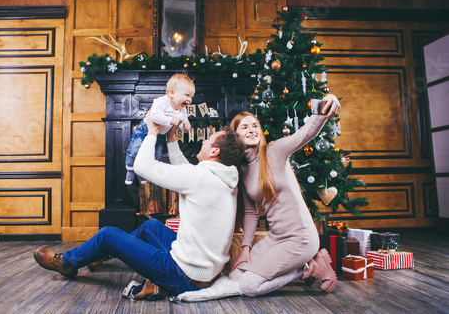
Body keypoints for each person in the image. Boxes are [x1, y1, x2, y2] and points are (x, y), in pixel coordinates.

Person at [33, 112, 246, 300]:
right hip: (205, 272)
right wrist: (171, 137)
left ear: (215, 151)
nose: (203, 142)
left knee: (108, 235)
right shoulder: (224, 178)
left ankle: (68, 263)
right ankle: (97, 254)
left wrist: (152, 132)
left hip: (183, 276)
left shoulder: (199, 176)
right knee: (150, 227)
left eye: (208, 141)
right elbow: (184, 169)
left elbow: (142, 166)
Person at [178, 94, 341, 302]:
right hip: (277, 237)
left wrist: (324, 107)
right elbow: (250, 213)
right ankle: (302, 264)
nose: (251, 130)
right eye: (244, 127)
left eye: (254, 125)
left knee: (249, 286)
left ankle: (307, 266)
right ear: (235, 137)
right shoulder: (243, 170)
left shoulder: (274, 151)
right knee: (236, 274)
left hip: (301, 238)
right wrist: (246, 249)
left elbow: (304, 134)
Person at [125, 73, 194, 185]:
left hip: (161, 136)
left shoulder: (182, 110)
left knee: (155, 158)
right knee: (134, 151)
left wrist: (185, 127)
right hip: (145, 130)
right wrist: (170, 120)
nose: (189, 99)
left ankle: (142, 173)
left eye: (191, 97)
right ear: (172, 93)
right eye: (187, 95)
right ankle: (130, 169)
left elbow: (181, 122)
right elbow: (154, 116)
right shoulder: (162, 101)